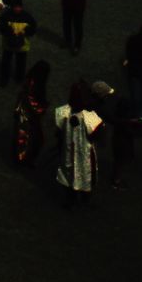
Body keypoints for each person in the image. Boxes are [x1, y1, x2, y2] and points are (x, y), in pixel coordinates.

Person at [54, 81, 103, 209]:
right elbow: (97, 135)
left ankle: (72, 200)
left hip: (70, 151)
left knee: (70, 174)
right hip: (81, 153)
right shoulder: (89, 117)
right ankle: (80, 199)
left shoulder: (63, 112)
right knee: (83, 175)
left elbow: (58, 131)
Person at [13, 60, 51, 166]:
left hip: (25, 113)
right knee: (29, 140)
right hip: (28, 116)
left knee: (26, 139)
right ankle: (23, 160)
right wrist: (42, 109)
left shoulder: (31, 80)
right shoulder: (33, 84)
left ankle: (23, 159)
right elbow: (31, 102)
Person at [0, 3, 38, 87]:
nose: (17, 9)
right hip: (8, 44)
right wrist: (10, 32)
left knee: (21, 63)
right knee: (6, 63)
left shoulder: (27, 17)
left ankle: (19, 79)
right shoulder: (6, 16)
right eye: (16, 7)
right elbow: (2, 28)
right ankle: (4, 79)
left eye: (19, 7)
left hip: (22, 46)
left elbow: (33, 28)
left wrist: (24, 32)